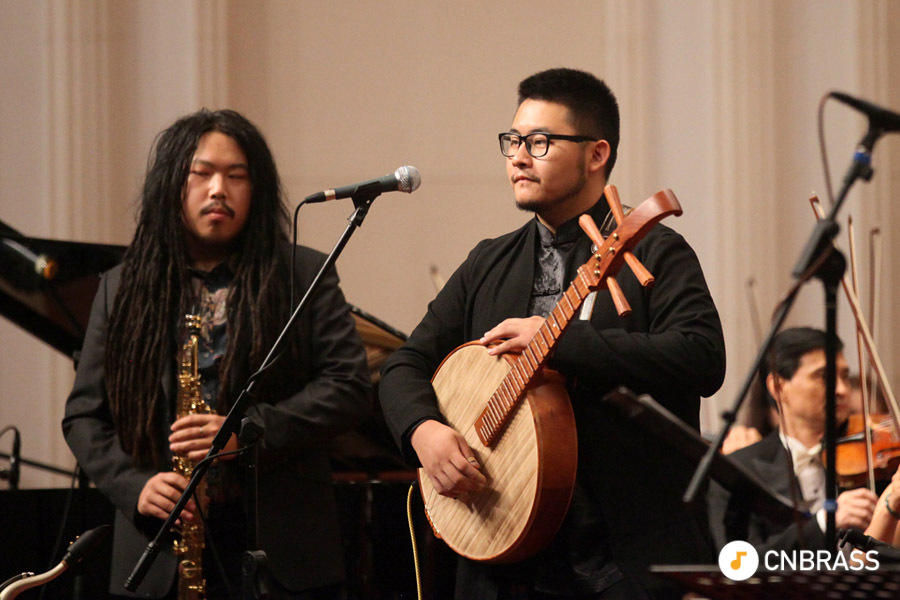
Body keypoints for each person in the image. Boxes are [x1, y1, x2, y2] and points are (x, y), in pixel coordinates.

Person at [379, 68, 726, 599]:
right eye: (513, 141)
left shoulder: (656, 251)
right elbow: (404, 363)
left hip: (622, 557)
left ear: (596, 154)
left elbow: (702, 357)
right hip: (503, 552)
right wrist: (422, 430)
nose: (519, 157)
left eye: (539, 142)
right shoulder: (488, 262)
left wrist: (564, 342)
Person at [62, 109, 371, 598]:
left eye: (236, 175)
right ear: (172, 184)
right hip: (157, 549)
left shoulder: (303, 273)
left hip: (280, 550)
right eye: (201, 173)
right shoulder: (120, 287)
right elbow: (83, 416)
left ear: (257, 188)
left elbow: (349, 387)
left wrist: (244, 432)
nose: (218, 189)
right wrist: (134, 486)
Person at [708, 327, 878, 554]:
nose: (842, 390)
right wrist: (822, 524)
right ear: (778, 387)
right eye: (824, 377)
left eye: (845, 377)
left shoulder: (874, 460)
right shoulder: (738, 471)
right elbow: (739, 562)